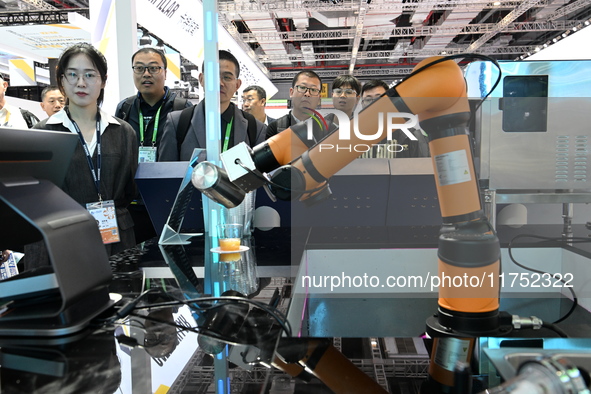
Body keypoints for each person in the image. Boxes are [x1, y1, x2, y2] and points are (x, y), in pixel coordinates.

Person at [33, 42, 138, 260]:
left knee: (120, 293)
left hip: (115, 238)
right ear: (62, 80)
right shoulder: (42, 134)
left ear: (103, 81)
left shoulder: (123, 132)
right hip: (61, 239)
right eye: (73, 74)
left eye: (90, 75)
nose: (81, 83)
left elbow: (129, 190)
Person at [158, 50, 266, 161]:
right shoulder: (177, 122)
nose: (219, 83)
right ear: (201, 79)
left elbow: (259, 176)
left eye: (227, 77)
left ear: (237, 85)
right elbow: (166, 173)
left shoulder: (255, 129)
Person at [115, 47, 192, 163]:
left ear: (165, 73)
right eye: (139, 68)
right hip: (132, 180)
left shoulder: (183, 109)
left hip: (169, 179)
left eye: (153, 68)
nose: (146, 74)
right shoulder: (125, 109)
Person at [265, 70, 322, 139]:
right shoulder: (275, 128)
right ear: (291, 92)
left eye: (313, 90)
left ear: (319, 98)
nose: (307, 94)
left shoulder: (330, 130)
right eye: (302, 87)